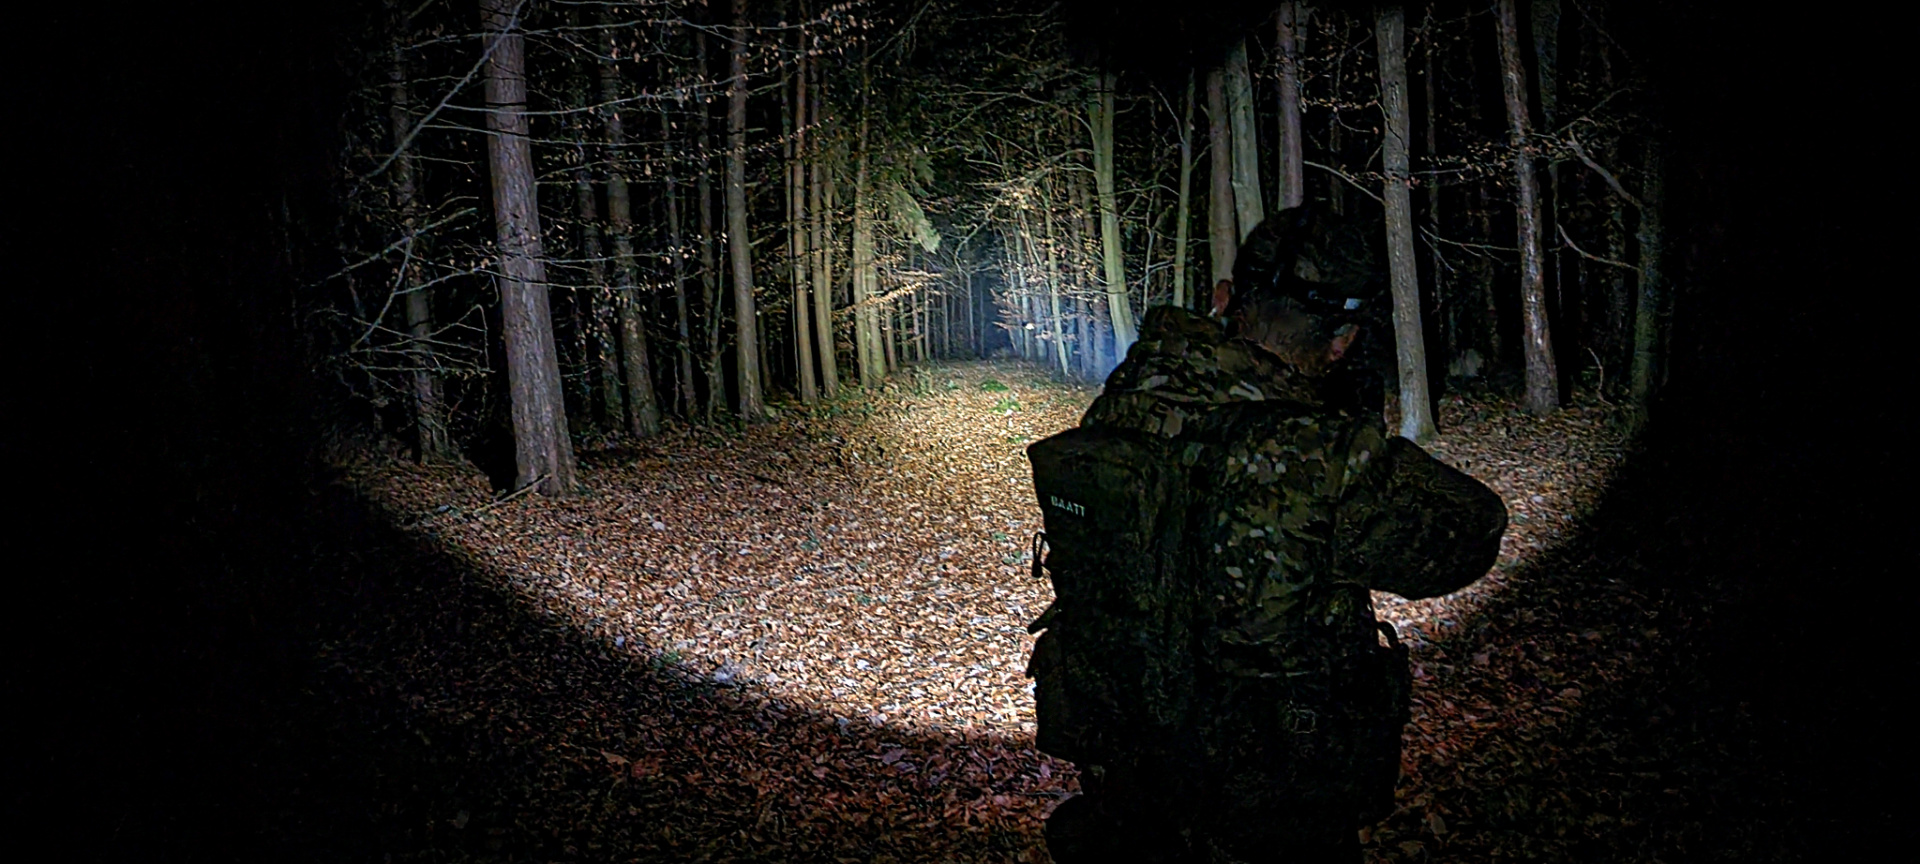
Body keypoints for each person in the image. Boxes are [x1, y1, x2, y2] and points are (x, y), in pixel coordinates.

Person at [1035, 207, 1507, 863]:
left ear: (1223, 298)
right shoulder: (1323, 455)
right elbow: (1472, 532)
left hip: (1131, 792)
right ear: (1340, 342)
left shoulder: (1122, 404)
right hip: (1272, 816)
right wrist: (1356, 433)